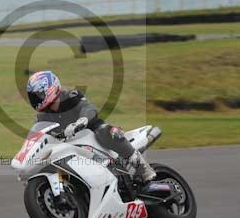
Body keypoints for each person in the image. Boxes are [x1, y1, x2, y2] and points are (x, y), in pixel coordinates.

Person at [26, 70, 156, 183]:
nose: (36, 100)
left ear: (50, 89)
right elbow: (36, 137)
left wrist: (82, 120)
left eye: (38, 95)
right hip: (70, 146)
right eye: (33, 97)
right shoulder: (42, 117)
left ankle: (143, 169)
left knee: (107, 132)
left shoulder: (71, 96)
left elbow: (88, 108)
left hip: (92, 132)